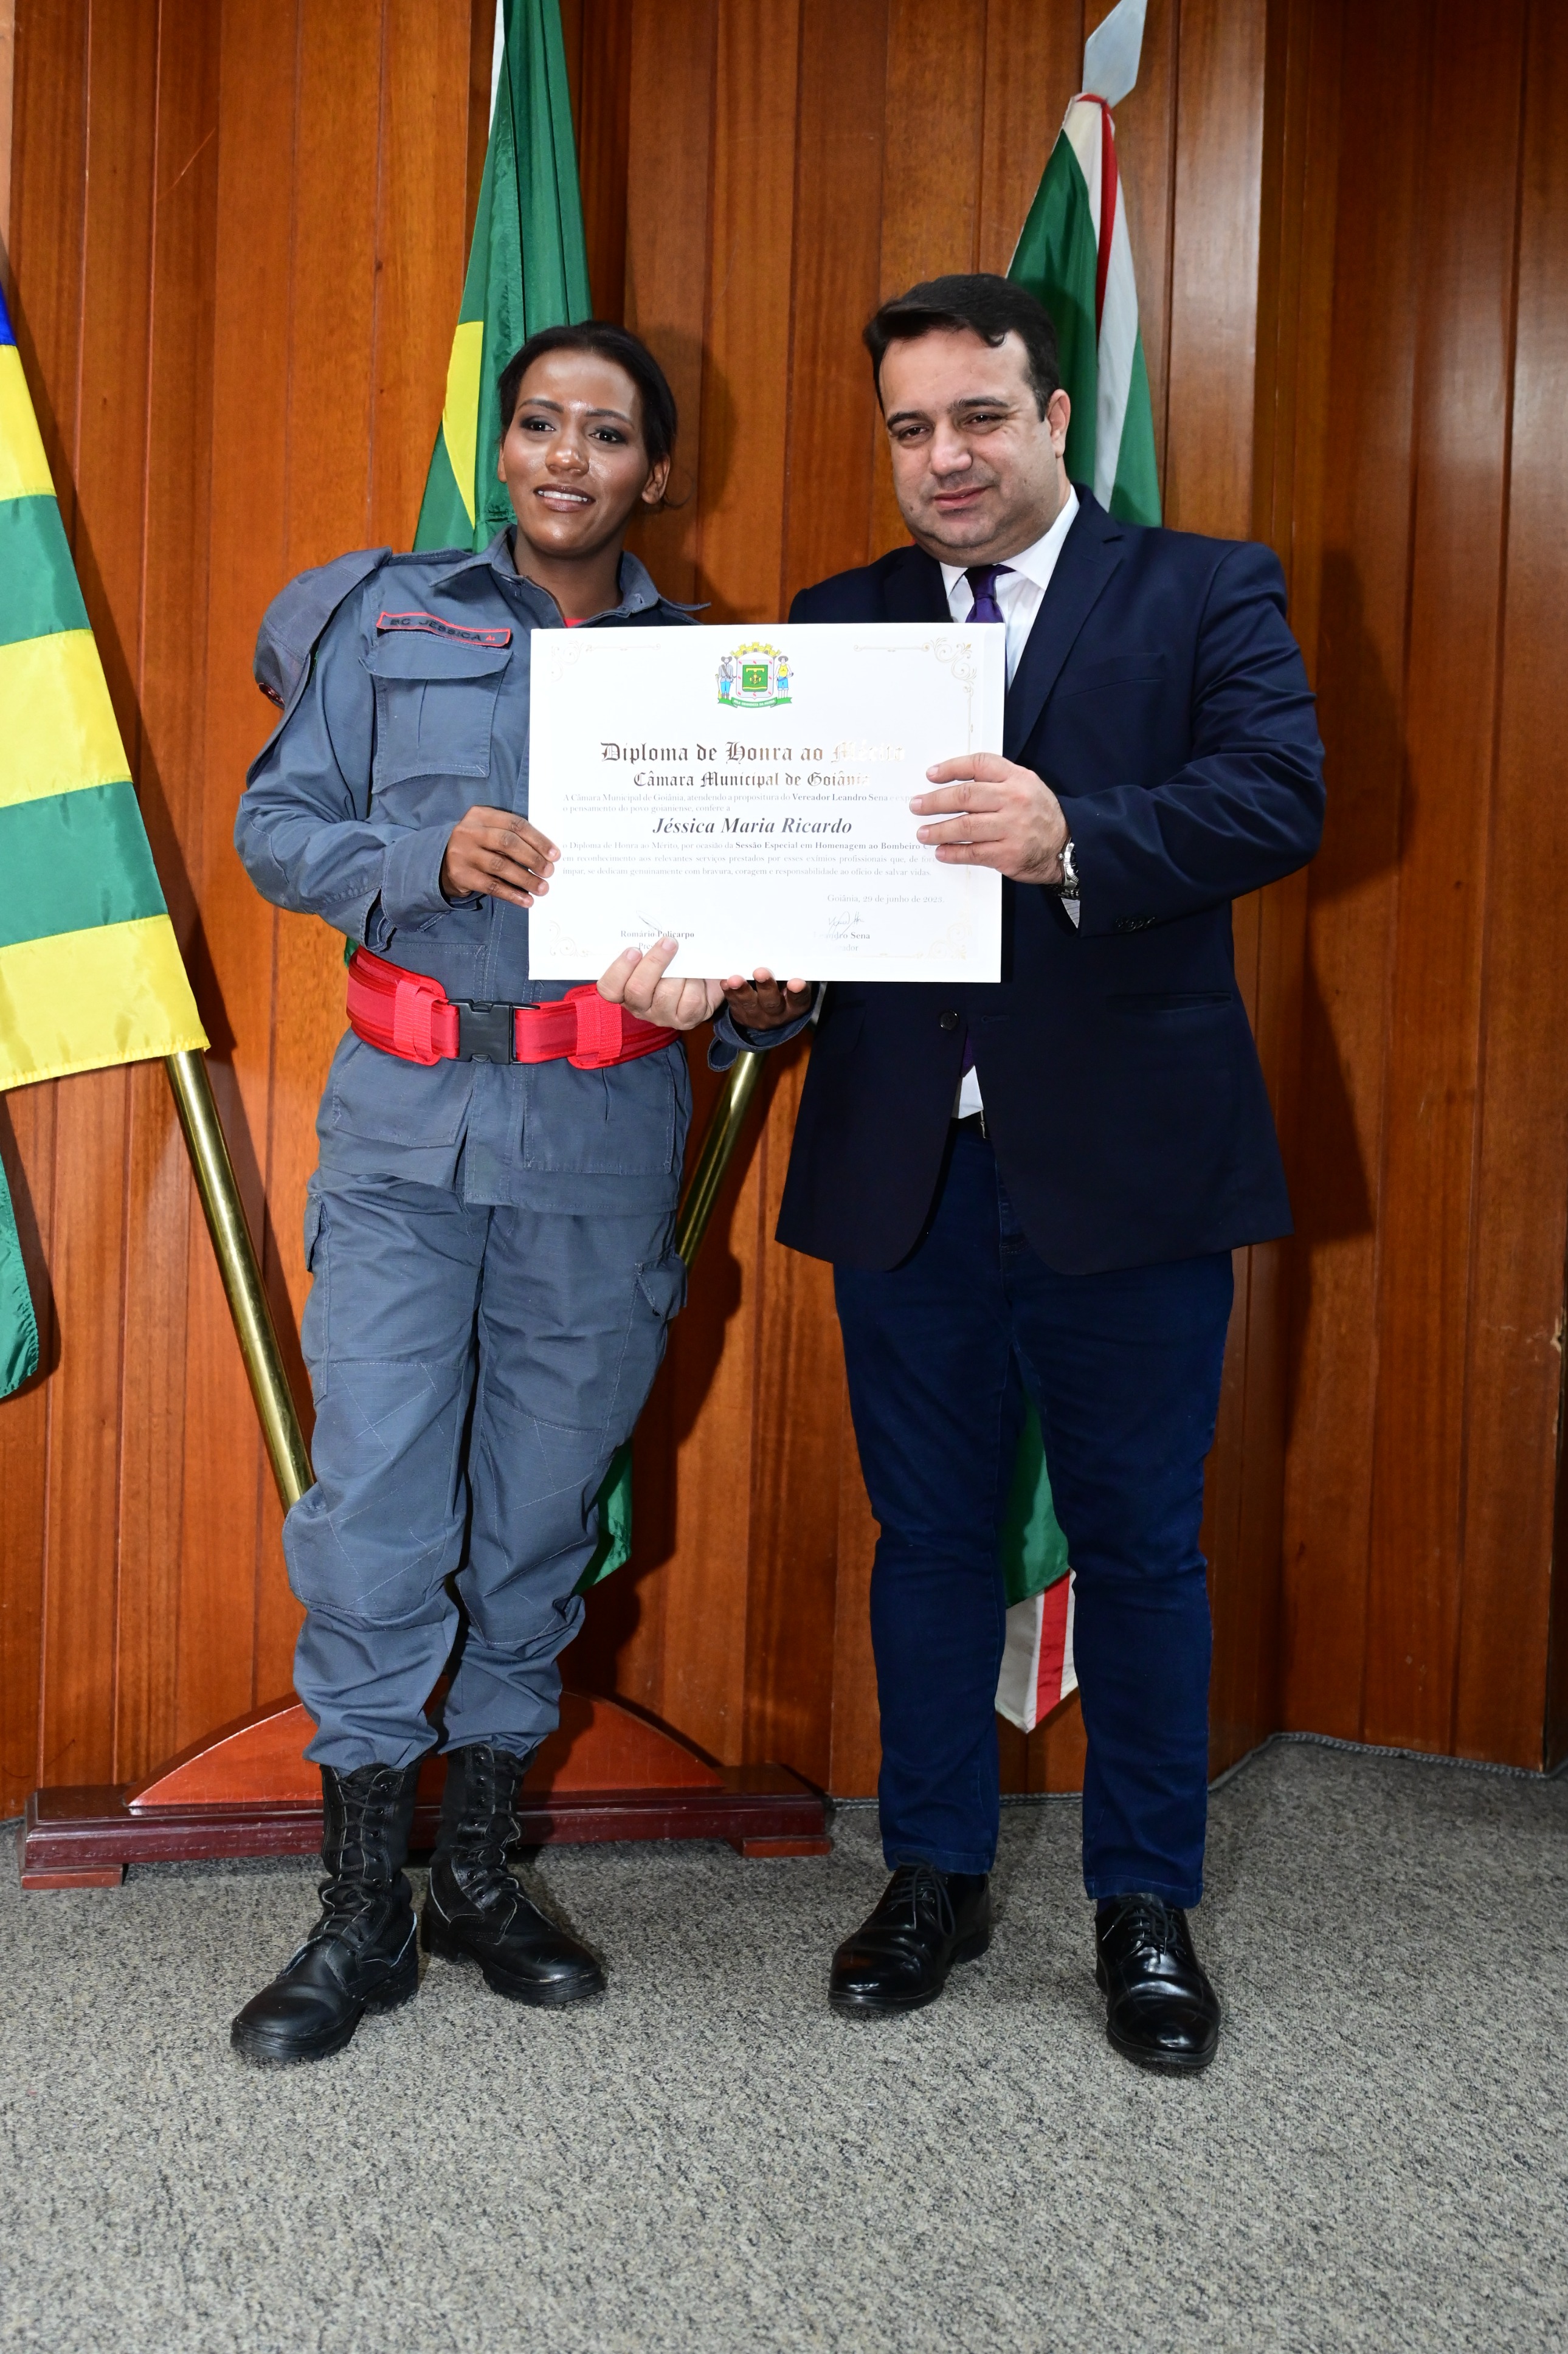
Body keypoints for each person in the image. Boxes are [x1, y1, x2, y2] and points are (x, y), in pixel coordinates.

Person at [740, 274, 1324, 2069]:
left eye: (980, 417)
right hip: (901, 1168)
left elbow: (1277, 797)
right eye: (910, 428)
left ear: (1056, 417)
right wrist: (757, 980)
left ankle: (1144, 1903)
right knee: (924, 1542)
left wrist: (1077, 835)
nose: (946, 457)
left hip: (1131, 1171)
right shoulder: (834, 622)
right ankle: (933, 1875)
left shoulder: (1202, 588)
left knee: (1143, 1550)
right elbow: (793, 891)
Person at [231, 322, 806, 2065]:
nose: (568, 456)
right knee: (375, 1509)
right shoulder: (381, 616)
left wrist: (760, 995)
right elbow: (274, 827)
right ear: (503, 449)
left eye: (608, 434)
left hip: (606, 1137)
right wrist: (419, 853)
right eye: (540, 423)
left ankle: (477, 1874)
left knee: (542, 1514)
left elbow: (772, 958)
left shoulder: (722, 678)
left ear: (657, 473)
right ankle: (359, 1907)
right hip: (404, 1133)